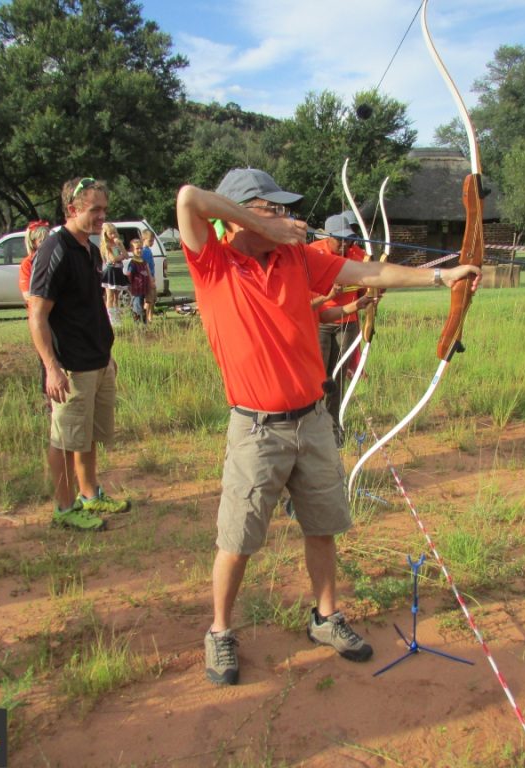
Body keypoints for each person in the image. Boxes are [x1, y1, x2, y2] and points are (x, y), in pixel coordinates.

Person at [175, 168, 481, 686]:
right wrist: (260, 225)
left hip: (312, 419)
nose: (288, 217)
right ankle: (221, 632)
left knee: (322, 526)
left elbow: (364, 272)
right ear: (244, 212)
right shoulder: (214, 263)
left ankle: (325, 617)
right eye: (275, 208)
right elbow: (189, 198)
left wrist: (439, 276)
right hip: (256, 429)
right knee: (239, 538)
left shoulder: (296, 257)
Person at [27, 177, 132, 531]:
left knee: (86, 436)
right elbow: (37, 315)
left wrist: (106, 354)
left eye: (104, 209)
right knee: (64, 439)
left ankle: (90, 495)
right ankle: (64, 507)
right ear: (72, 210)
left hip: (97, 360)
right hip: (70, 365)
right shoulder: (54, 249)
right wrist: (51, 368)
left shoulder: (88, 248)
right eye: (94, 210)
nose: (102, 216)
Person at [313, 214, 369, 446]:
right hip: (321, 322)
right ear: (328, 237)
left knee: (336, 378)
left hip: (348, 322)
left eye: (349, 239)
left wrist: (373, 291)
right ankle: (315, 428)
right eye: (340, 240)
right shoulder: (314, 253)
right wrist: (329, 292)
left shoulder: (358, 255)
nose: (346, 245)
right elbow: (305, 297)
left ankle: (334, 430)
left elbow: (371, 284)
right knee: (318, 378)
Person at [19, 220, 51, 405]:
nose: (45, 244)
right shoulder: (28, 263)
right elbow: (28, 295)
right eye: (41, 240)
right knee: (45, 358)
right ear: (33, 242)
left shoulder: (55, 258)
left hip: (58, 316)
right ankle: (47, 397)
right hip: (41, 317)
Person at [100, 222, 127, 326]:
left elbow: (126, 255)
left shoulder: (117, 244)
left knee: (117, 296)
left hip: (118, 270)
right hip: (110, 271)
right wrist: (120, 257)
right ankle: (110, 318)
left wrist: (120, 245)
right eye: (111, 233)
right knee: (110, 295)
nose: (114, 235)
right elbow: (112, 259)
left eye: (115, 233)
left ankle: (117, 317)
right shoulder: (106, 245)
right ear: (105, 234)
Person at [124, 237, 151, 324]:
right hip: (137, 291)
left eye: (141, 248)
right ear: (132, 250)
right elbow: (129, 276)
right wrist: (130, 287)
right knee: (137, 308)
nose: (139, 250)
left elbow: (147, 274)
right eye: (137, 248)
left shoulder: (143, 262)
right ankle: (138, 325)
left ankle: (144, 324)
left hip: (144, 290)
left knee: (143, 307)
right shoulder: (132, 263)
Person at [140, 229, 160, 323]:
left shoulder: (148, 250)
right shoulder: (144, 251)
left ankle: (150, 317)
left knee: (152, 299)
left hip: (151, 277)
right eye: (150, 240)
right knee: (148, 300)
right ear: (144, 239)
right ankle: (146, 318)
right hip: (148, 279)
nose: (152, 242)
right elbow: (145, 266)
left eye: (153, 240)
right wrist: (150, 279)